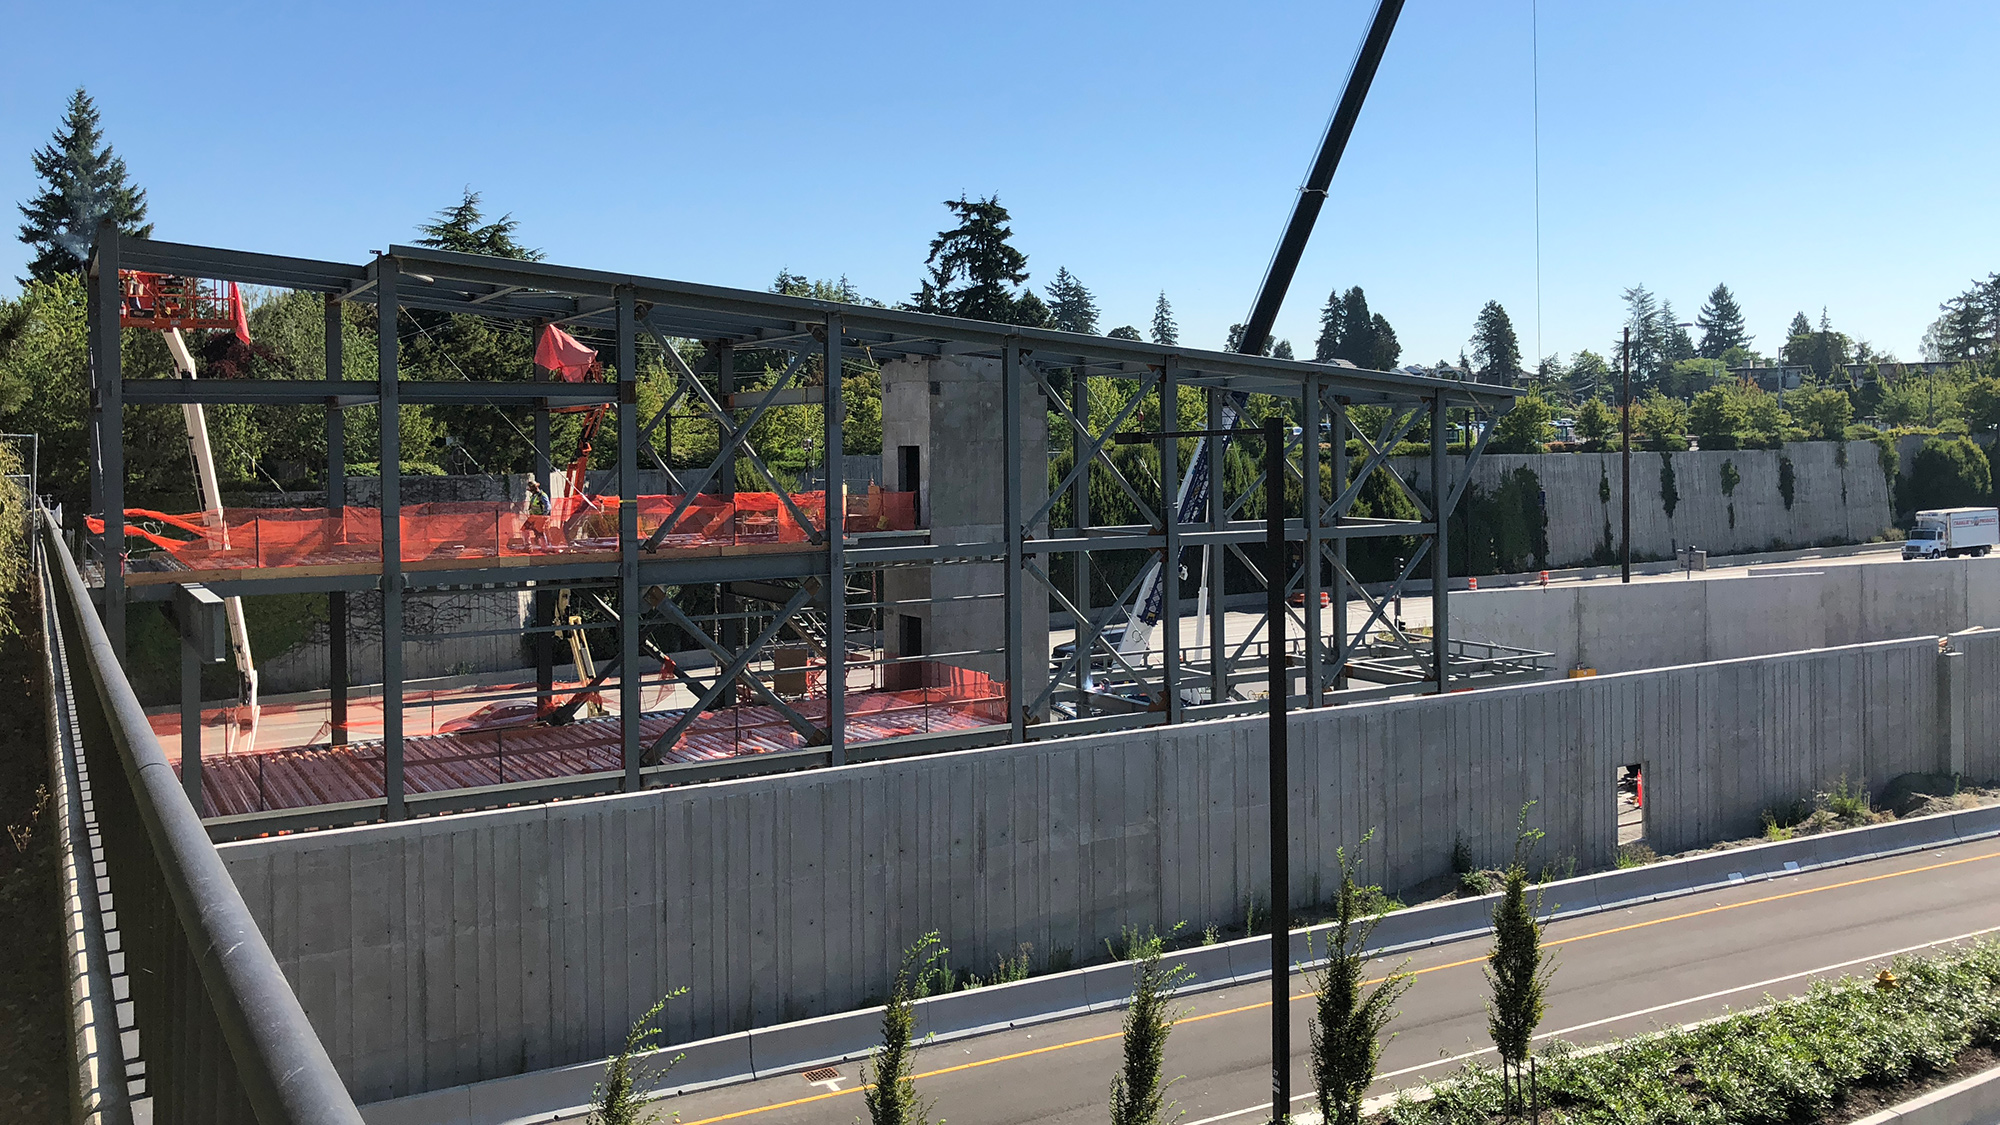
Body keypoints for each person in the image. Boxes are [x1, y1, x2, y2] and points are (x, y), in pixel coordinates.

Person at [522, 479, 551, 548]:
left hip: (540, 516)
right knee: (524, 528)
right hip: (533, 517)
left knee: (539, 532)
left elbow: (548, 506)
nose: (531, 490)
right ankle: (528, 546)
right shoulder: (533, 496)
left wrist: (543, 515)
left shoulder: (542, 495)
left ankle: (545, 547)